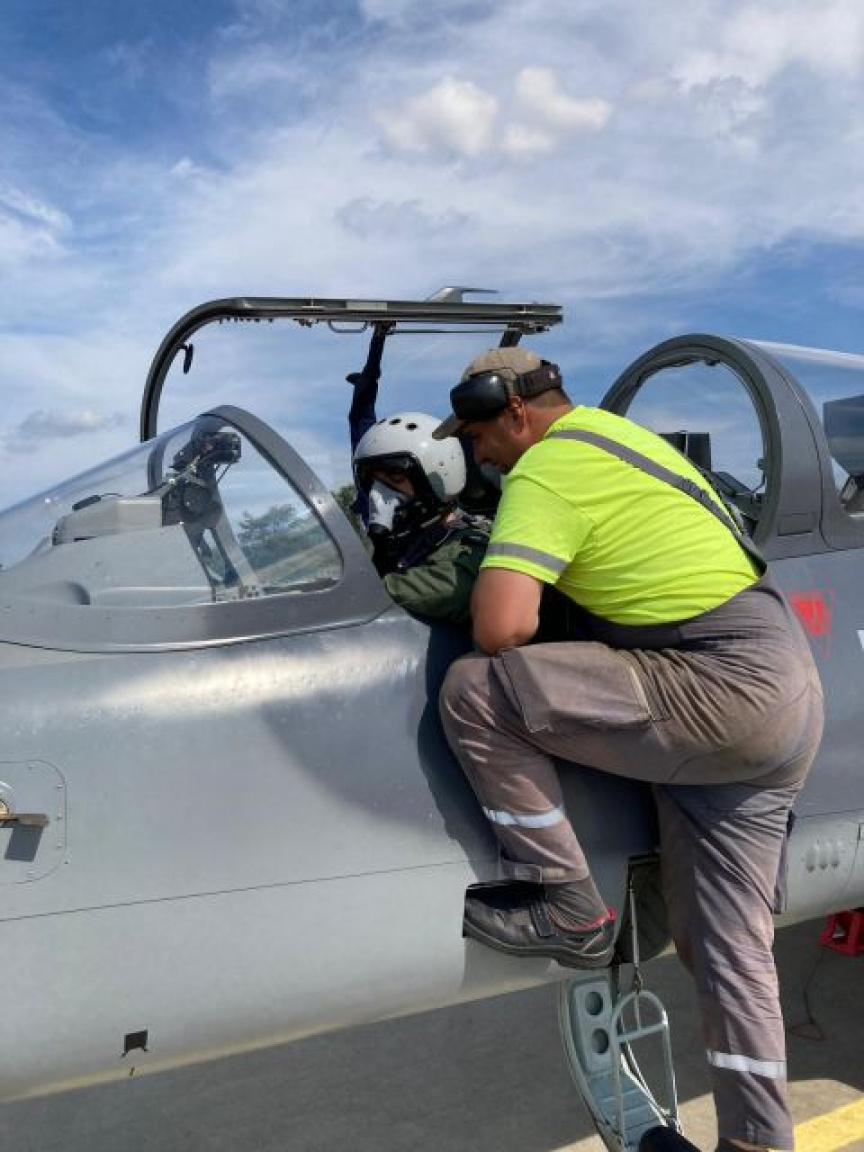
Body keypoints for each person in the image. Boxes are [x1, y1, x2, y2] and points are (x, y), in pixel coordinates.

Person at [433, 346, 824, 1152]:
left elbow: (502, 628)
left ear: (514, 411)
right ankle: (757, 1139)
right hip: (784, 686)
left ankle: (568, 906)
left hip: (715, 685)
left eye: (477, 436)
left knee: (474, 690)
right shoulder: (625, 440)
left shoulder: (547, 470)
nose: (479, 455)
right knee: (726, 945)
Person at [346, 325, 489, 625]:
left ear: (435, 481)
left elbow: (368, 600)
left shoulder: (467, 552)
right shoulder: (402, 540)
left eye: (395, 479)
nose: (379, 494)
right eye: (373, 481)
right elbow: (359, 424)